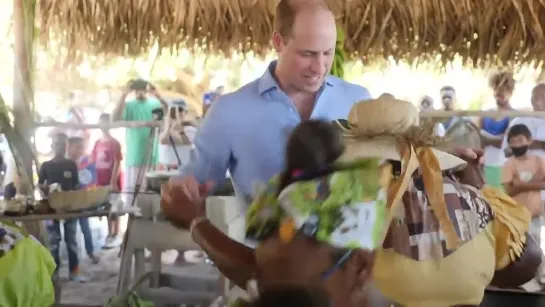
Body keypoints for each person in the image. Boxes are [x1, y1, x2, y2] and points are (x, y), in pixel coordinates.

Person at [164, 95, 542, 307]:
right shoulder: (467, 201)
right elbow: (525, 267)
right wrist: (480, 195)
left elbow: (259, 271)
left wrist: (197, 223)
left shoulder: (330, 203)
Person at [171, 0, 372, 223]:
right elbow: (184, 194)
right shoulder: (230, 112)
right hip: (261, 256)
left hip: (350, 255)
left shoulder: (359, 103)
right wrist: (180, 196)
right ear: (279, 42)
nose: (319, 67)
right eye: (308, 54)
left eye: (328, 53)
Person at [502, 124, 545, 290]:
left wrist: (521, 184)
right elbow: (507, 190)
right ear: (510, 145)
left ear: (529, 140)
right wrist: (535, 183)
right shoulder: (508, 164)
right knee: (520, 248)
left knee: (538, 245)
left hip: (535, 213)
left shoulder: (539, 160)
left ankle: (541, 278)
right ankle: (525, 281)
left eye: (520, 140)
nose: (518, 145)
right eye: (513, 142)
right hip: (516, 215)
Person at [112, 79, 168, 207]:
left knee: (149, 196)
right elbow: (114, 119)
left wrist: (158, 95)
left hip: (152, 157)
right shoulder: (129, 105)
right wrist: (123, 95)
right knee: (132, 198)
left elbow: (170, 112)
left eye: (143, 89)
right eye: (137, 89)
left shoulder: (155, 104)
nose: (140, 92)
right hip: (134, 158)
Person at [38, 133, 85, 282]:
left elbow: (76, 186)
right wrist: (44, 189)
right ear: (52, 146)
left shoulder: (71, 165)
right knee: (53, 241)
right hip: (51, 209)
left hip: (70, 208)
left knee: (71, 241)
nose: (60, 147)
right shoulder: (46, 166)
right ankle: (55, 272)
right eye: (57, 144)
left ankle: (74, 272)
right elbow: (40, 185)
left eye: (63, 145)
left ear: (66, 147)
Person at [91, 113, 123, 248]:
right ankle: (110, 233)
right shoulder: (97, 143)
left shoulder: (114, 143)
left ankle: (116, 233)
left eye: (106, 122)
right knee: (106, 207)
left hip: (111, 180)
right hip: (100, 180)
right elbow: (93, 162)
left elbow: (117, 162)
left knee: (114, 207)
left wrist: (113, 181)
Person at [67, 137, 100, 264]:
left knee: (85, 227)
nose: (76, 150)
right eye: (74, 147)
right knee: (71, 231)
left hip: (82, 200)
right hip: (69, 201)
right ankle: (74, 260)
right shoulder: (66, 163)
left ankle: (90, 252)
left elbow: (91, 180)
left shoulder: (88, 162)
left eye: (79, 147)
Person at [480, 72, 515, 188]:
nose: (498, 93)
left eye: (503, 91)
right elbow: (475, 139)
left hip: (502, 164)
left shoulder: (514, 115)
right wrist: (495, 139)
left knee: (499, 200)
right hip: (482, 164)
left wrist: (484, 137)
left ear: (510, 92)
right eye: (496, 90)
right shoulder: (485, 113)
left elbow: (505, 143)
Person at [158, 99, 197, 170]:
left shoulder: (191, 128)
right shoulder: (165, 129)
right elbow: (163, 141)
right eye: (173, 111)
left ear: (186, 112)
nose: (177, 114)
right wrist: (167, 128)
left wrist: (181, 131)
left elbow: (187, 143)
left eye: (180, 110)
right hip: (166, 170)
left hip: (184, 169)